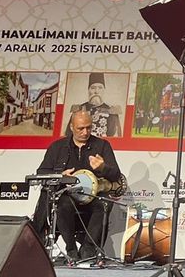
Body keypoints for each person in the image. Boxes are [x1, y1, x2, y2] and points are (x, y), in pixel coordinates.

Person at [32, 110, 123, 263]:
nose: (85, 132)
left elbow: (116, 175)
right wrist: (60, 175)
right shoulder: (57, 147)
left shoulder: (102, 145)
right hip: (68, 195)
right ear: (71, 127)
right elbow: (42, 172)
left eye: (89, 127)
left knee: (104, 203)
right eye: (80, 128)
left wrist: (103, 167)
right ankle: (71, 249)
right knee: (62, 204)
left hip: (93, 196)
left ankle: (88, 249)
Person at [65, 72, 120, 138]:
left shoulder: (111, 110)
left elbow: (114, 136)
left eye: (100, 88)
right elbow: (69, 133)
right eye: (93, 88)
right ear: (88, 90)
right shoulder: (78, 109)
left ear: (104, 90)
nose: (96, 91)